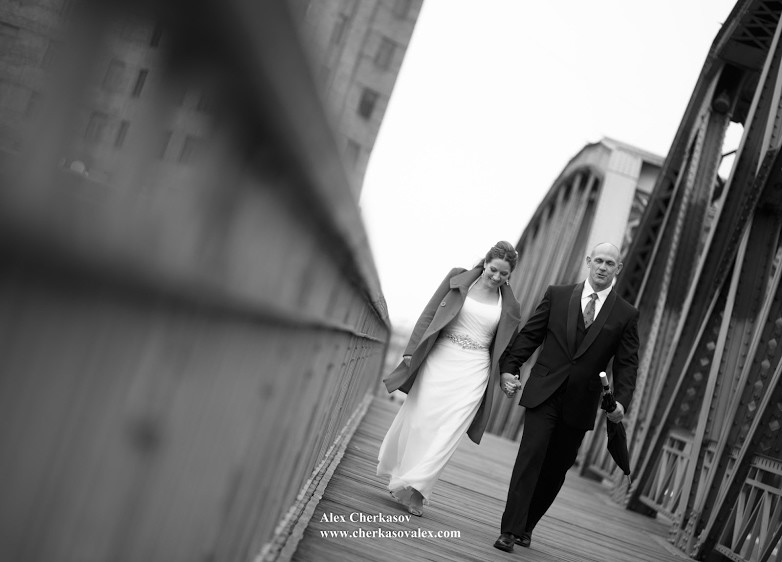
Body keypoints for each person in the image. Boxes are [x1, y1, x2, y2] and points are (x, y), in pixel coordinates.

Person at [492, 242, 639, 552]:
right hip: (543, 392)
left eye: (609, 263)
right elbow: (531, 334)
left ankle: (527, 526)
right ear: (588, 261)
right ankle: (510, 530)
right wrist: (509, 368)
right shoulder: (557, 295)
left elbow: (627, 364)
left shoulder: (626, 314)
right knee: (530, 458)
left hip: (581, 403)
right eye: (598, 260)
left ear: (618, 268)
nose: (602, 267)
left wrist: (622, 402)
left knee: (556, 468)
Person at [378, 241, 522, 517]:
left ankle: (418, 492)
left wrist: (507, 374)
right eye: (493, 269)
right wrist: (410, 351)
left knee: (448, 433)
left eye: (504, 274)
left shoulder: (511, 305)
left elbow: (508, 347)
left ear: (510, 275)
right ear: (485, 263)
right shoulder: (457, 278)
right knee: (420, 423)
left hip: (475, 370)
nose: (496, 277)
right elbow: (429, 315)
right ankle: (402, 476)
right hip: (439, 360)